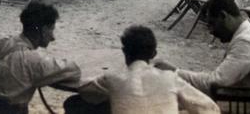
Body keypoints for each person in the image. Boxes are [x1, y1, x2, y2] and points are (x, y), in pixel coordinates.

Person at [154, 0, 250, 114]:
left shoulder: (247, 42)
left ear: (224, 16)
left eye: (212, 24)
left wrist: (175, 71)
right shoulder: (249, 33)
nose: (211, 31)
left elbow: (216, 83)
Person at [65, 26, 219, 114]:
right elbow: (210, 108)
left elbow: (84, 89)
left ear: (125, 53)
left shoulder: (112, 79)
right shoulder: (170, 78)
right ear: (154, 54)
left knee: (75, 103)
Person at [0, 2, 81, 114]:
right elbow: (73, 70)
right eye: (51, 29)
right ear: (43, 30)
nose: (53, 37)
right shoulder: (33, 60)